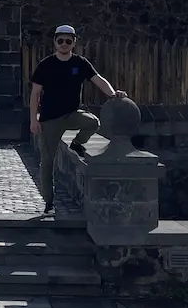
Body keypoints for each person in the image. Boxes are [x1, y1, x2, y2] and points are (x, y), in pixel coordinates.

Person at [29, 24, 127, 214]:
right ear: (55, 42)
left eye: (68, 40)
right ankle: (49, 203)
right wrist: (34, 120)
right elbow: (35, 94)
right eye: (60, 40)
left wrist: (114, 94)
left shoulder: (80, 63)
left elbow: (98, 80)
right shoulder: (46, 65)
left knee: (93, 122)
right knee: (47, 162)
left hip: (72, 114)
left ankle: (76, 144)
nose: (64, 44)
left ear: (74, 42)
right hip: (50, 120)